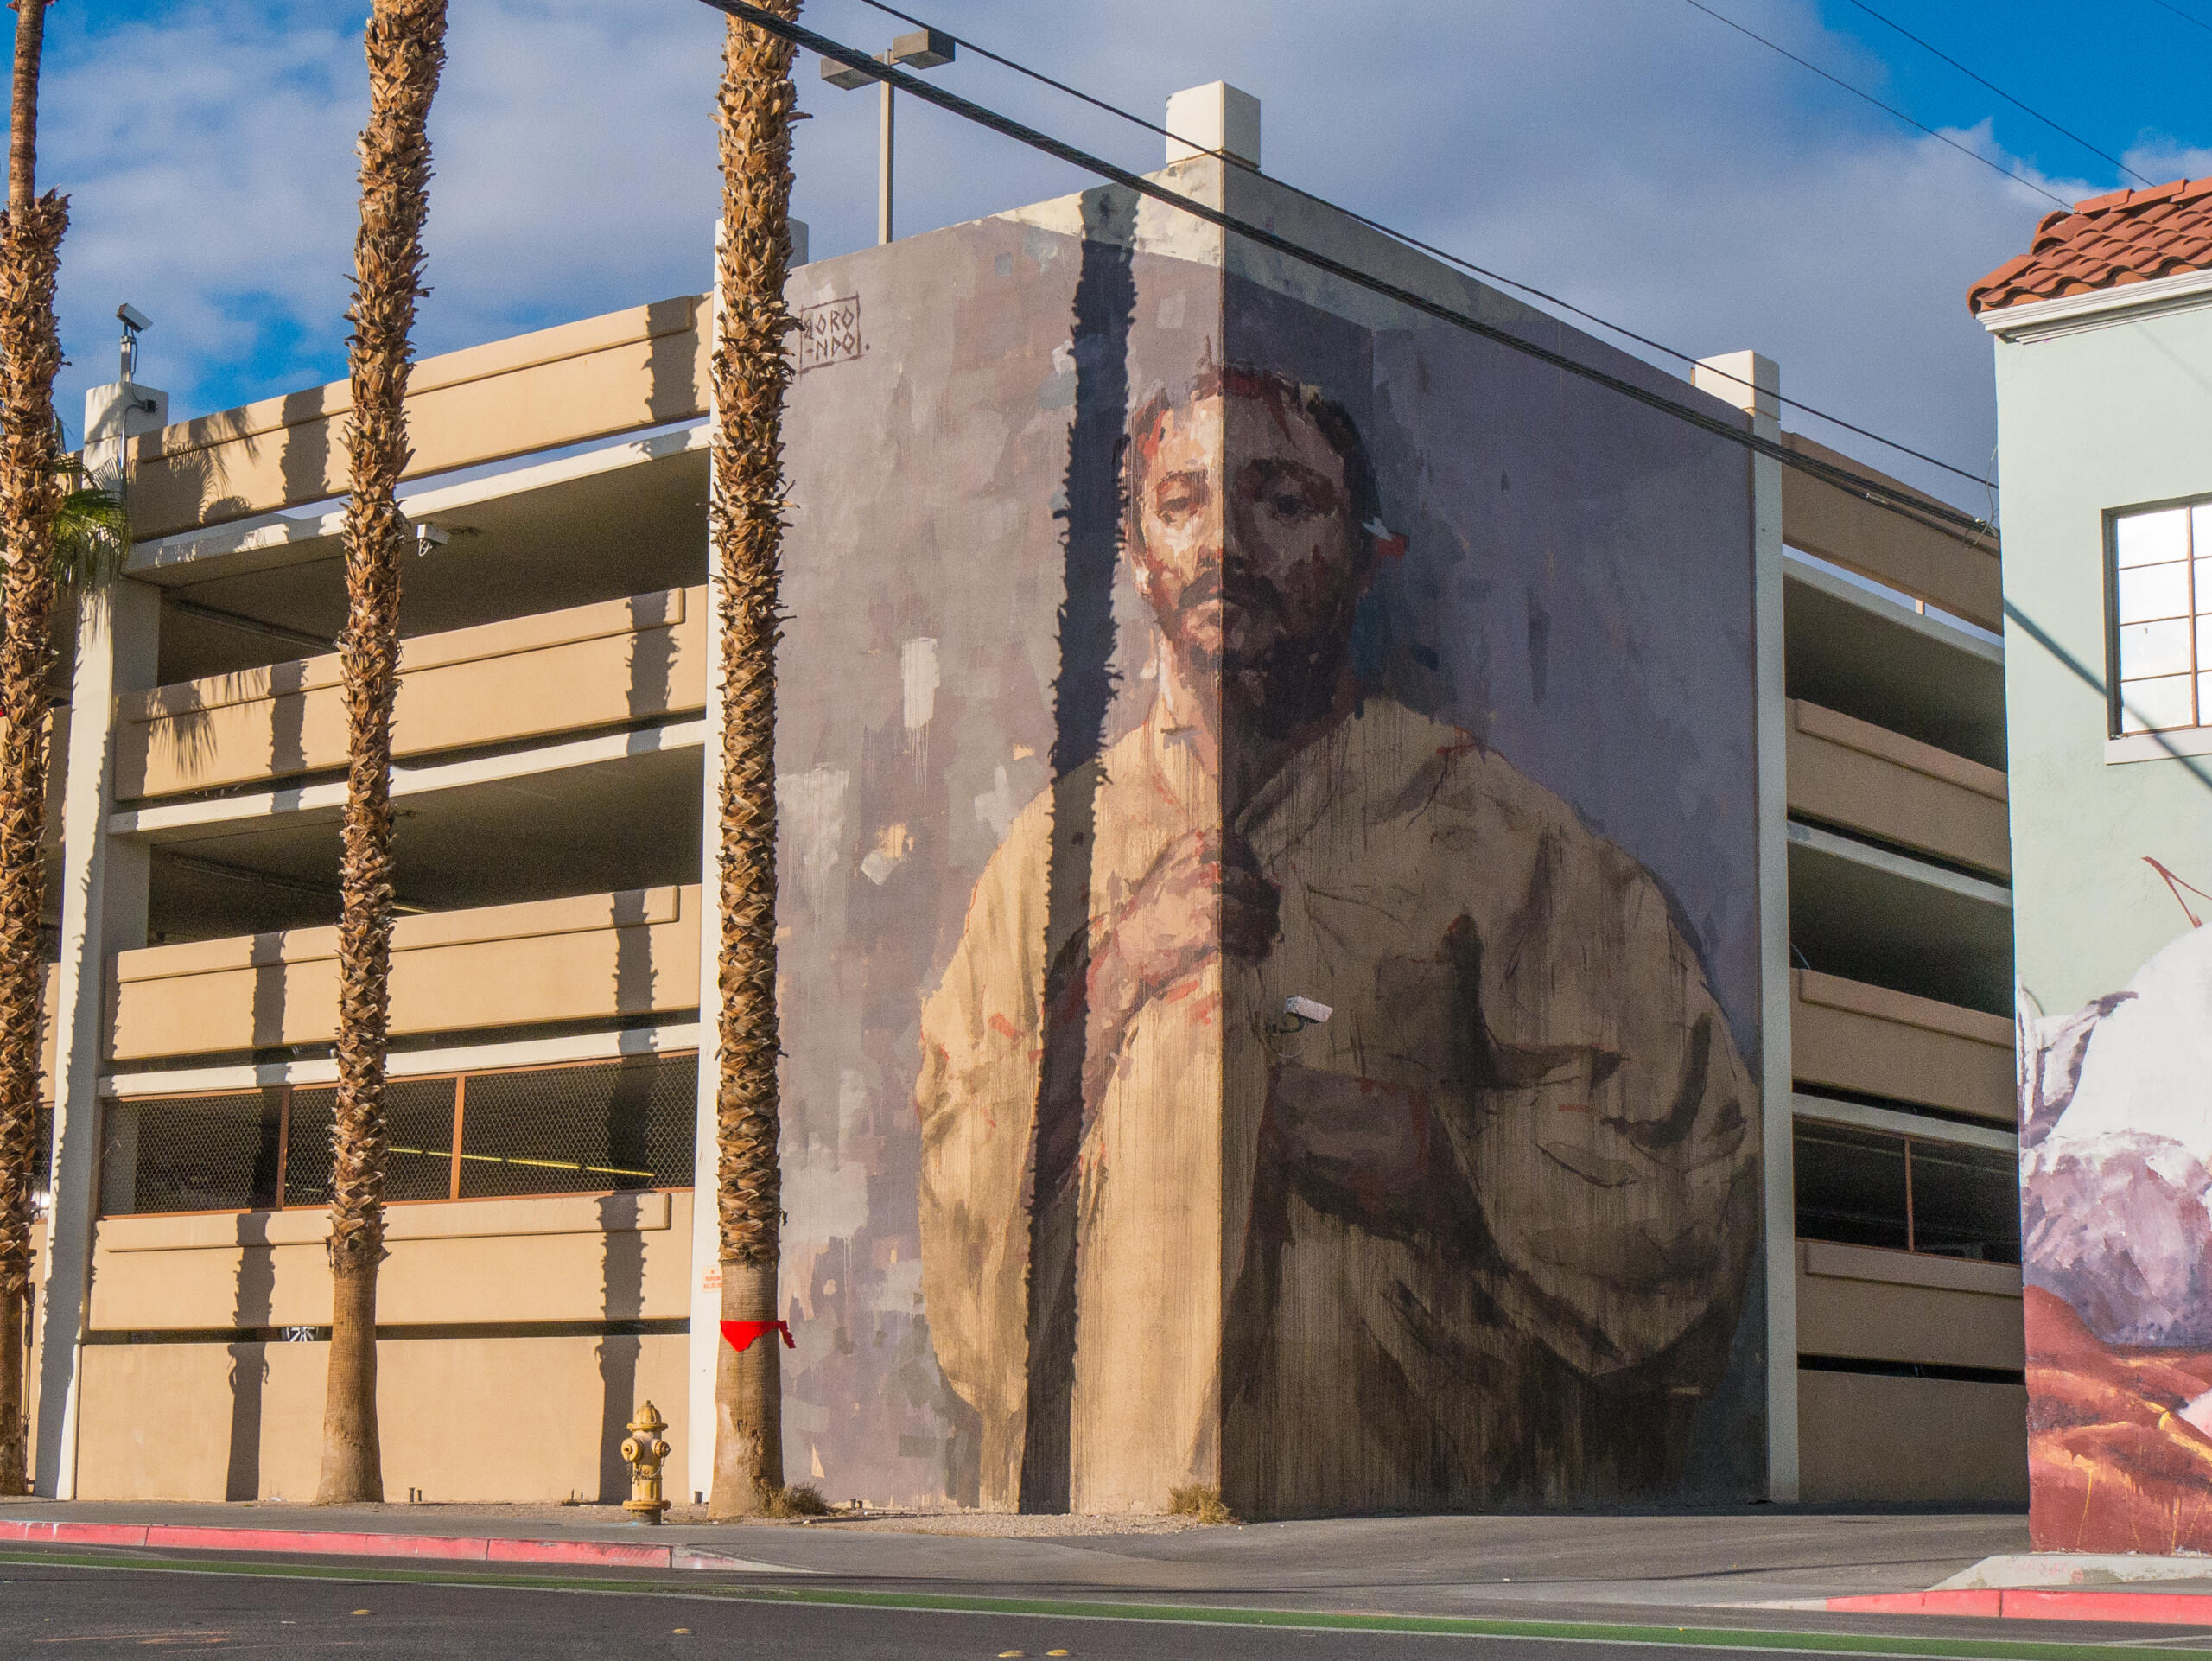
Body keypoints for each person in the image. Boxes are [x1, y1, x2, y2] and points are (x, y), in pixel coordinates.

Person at [916, 364, 1758, 1516]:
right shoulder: (1049, 859)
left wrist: (1446, 1163)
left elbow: (1693, 1178)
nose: (1228, 542)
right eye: (1183, 502)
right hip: (1106, 1545)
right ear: (1137, 552)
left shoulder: (1501, 837)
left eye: (1284, 500)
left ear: (1368, 554)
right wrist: (1111, 983)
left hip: (1411, 1548)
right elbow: (958, 1227)